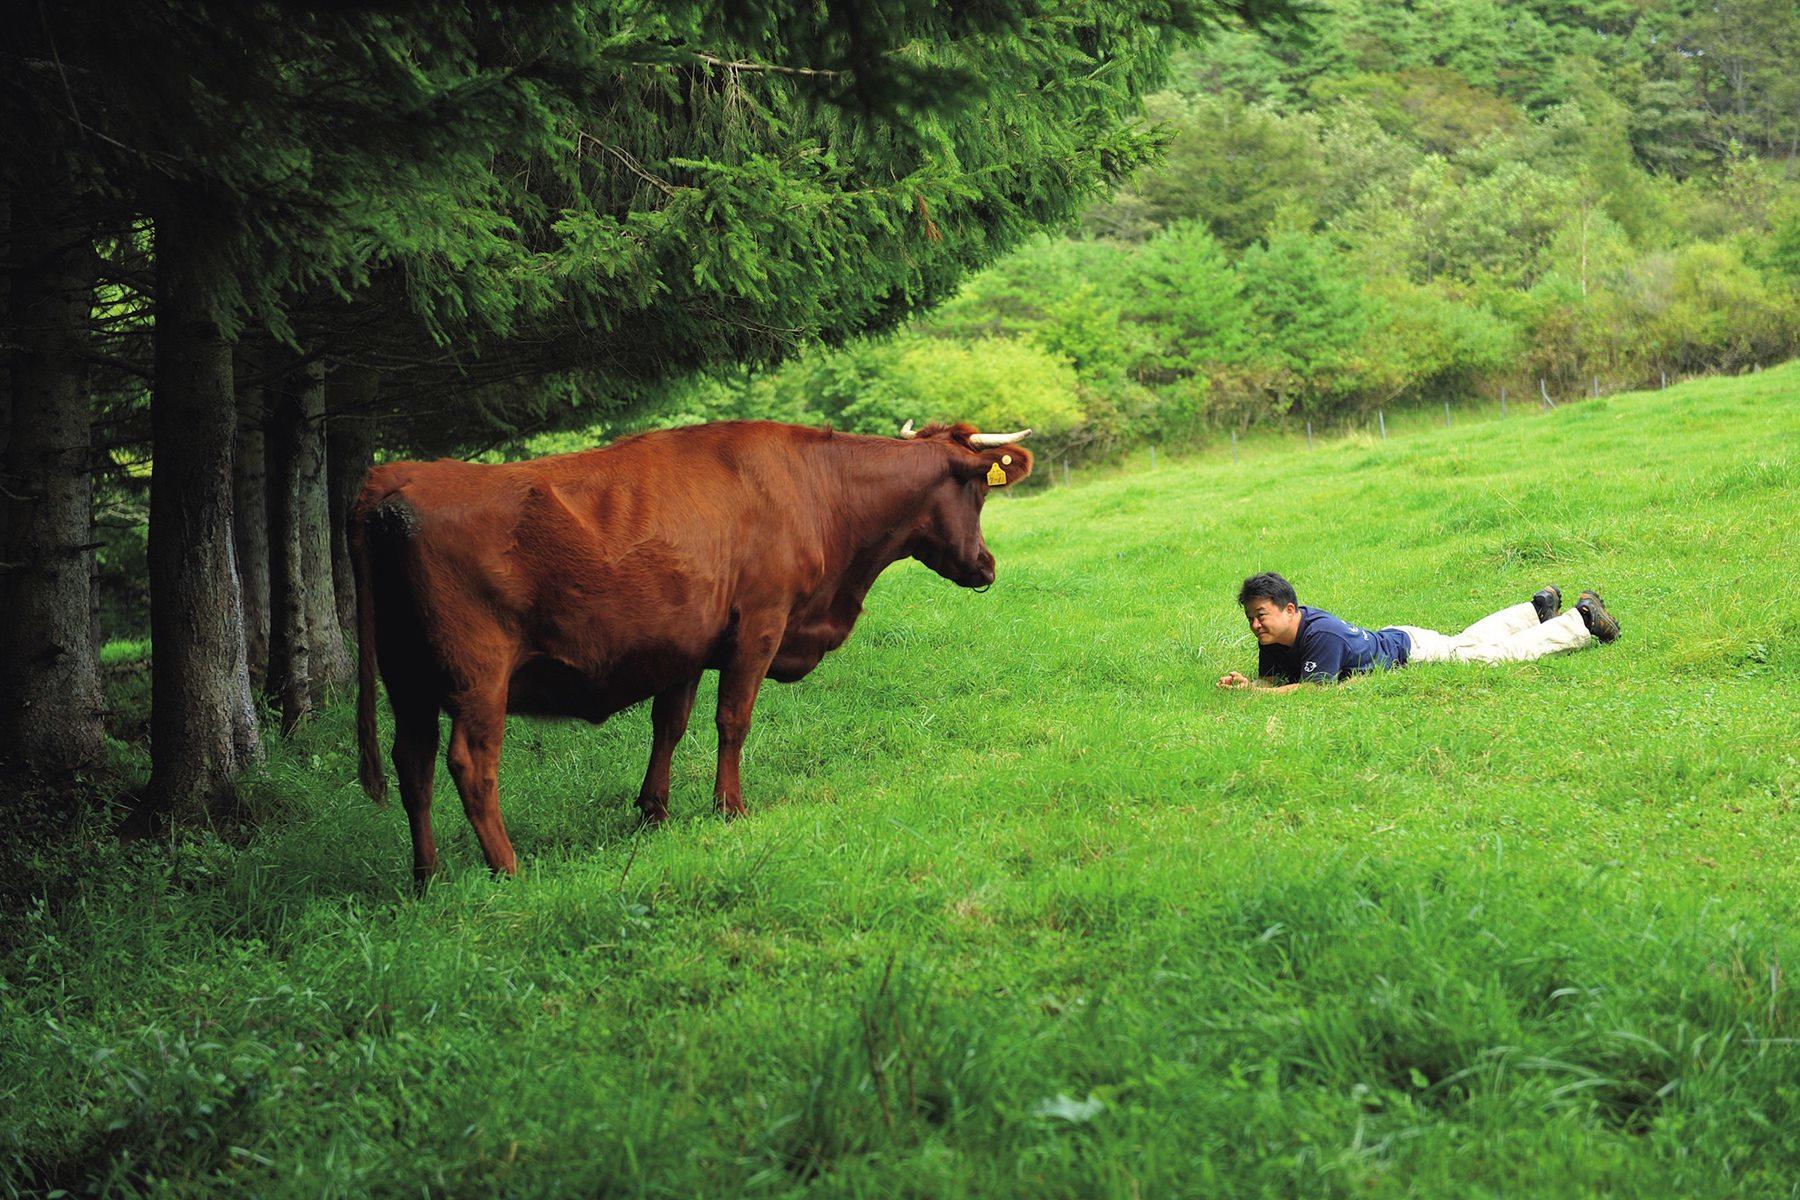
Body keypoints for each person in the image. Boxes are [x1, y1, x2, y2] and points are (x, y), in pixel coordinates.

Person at [1217, 572, 1619, 693]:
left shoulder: (1319, 634)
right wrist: (1247, 683)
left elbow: (1309, 690)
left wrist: (1256, 696)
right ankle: (1536, 611)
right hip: (1397, 638)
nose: (1255, 624)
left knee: (1489, 658)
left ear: (1290, 610)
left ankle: (1581, 621)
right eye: (1251, 617)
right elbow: (1273, 679)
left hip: (1410, 653)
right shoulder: (1272, 637)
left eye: (1262, 615)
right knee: (1466, 643)